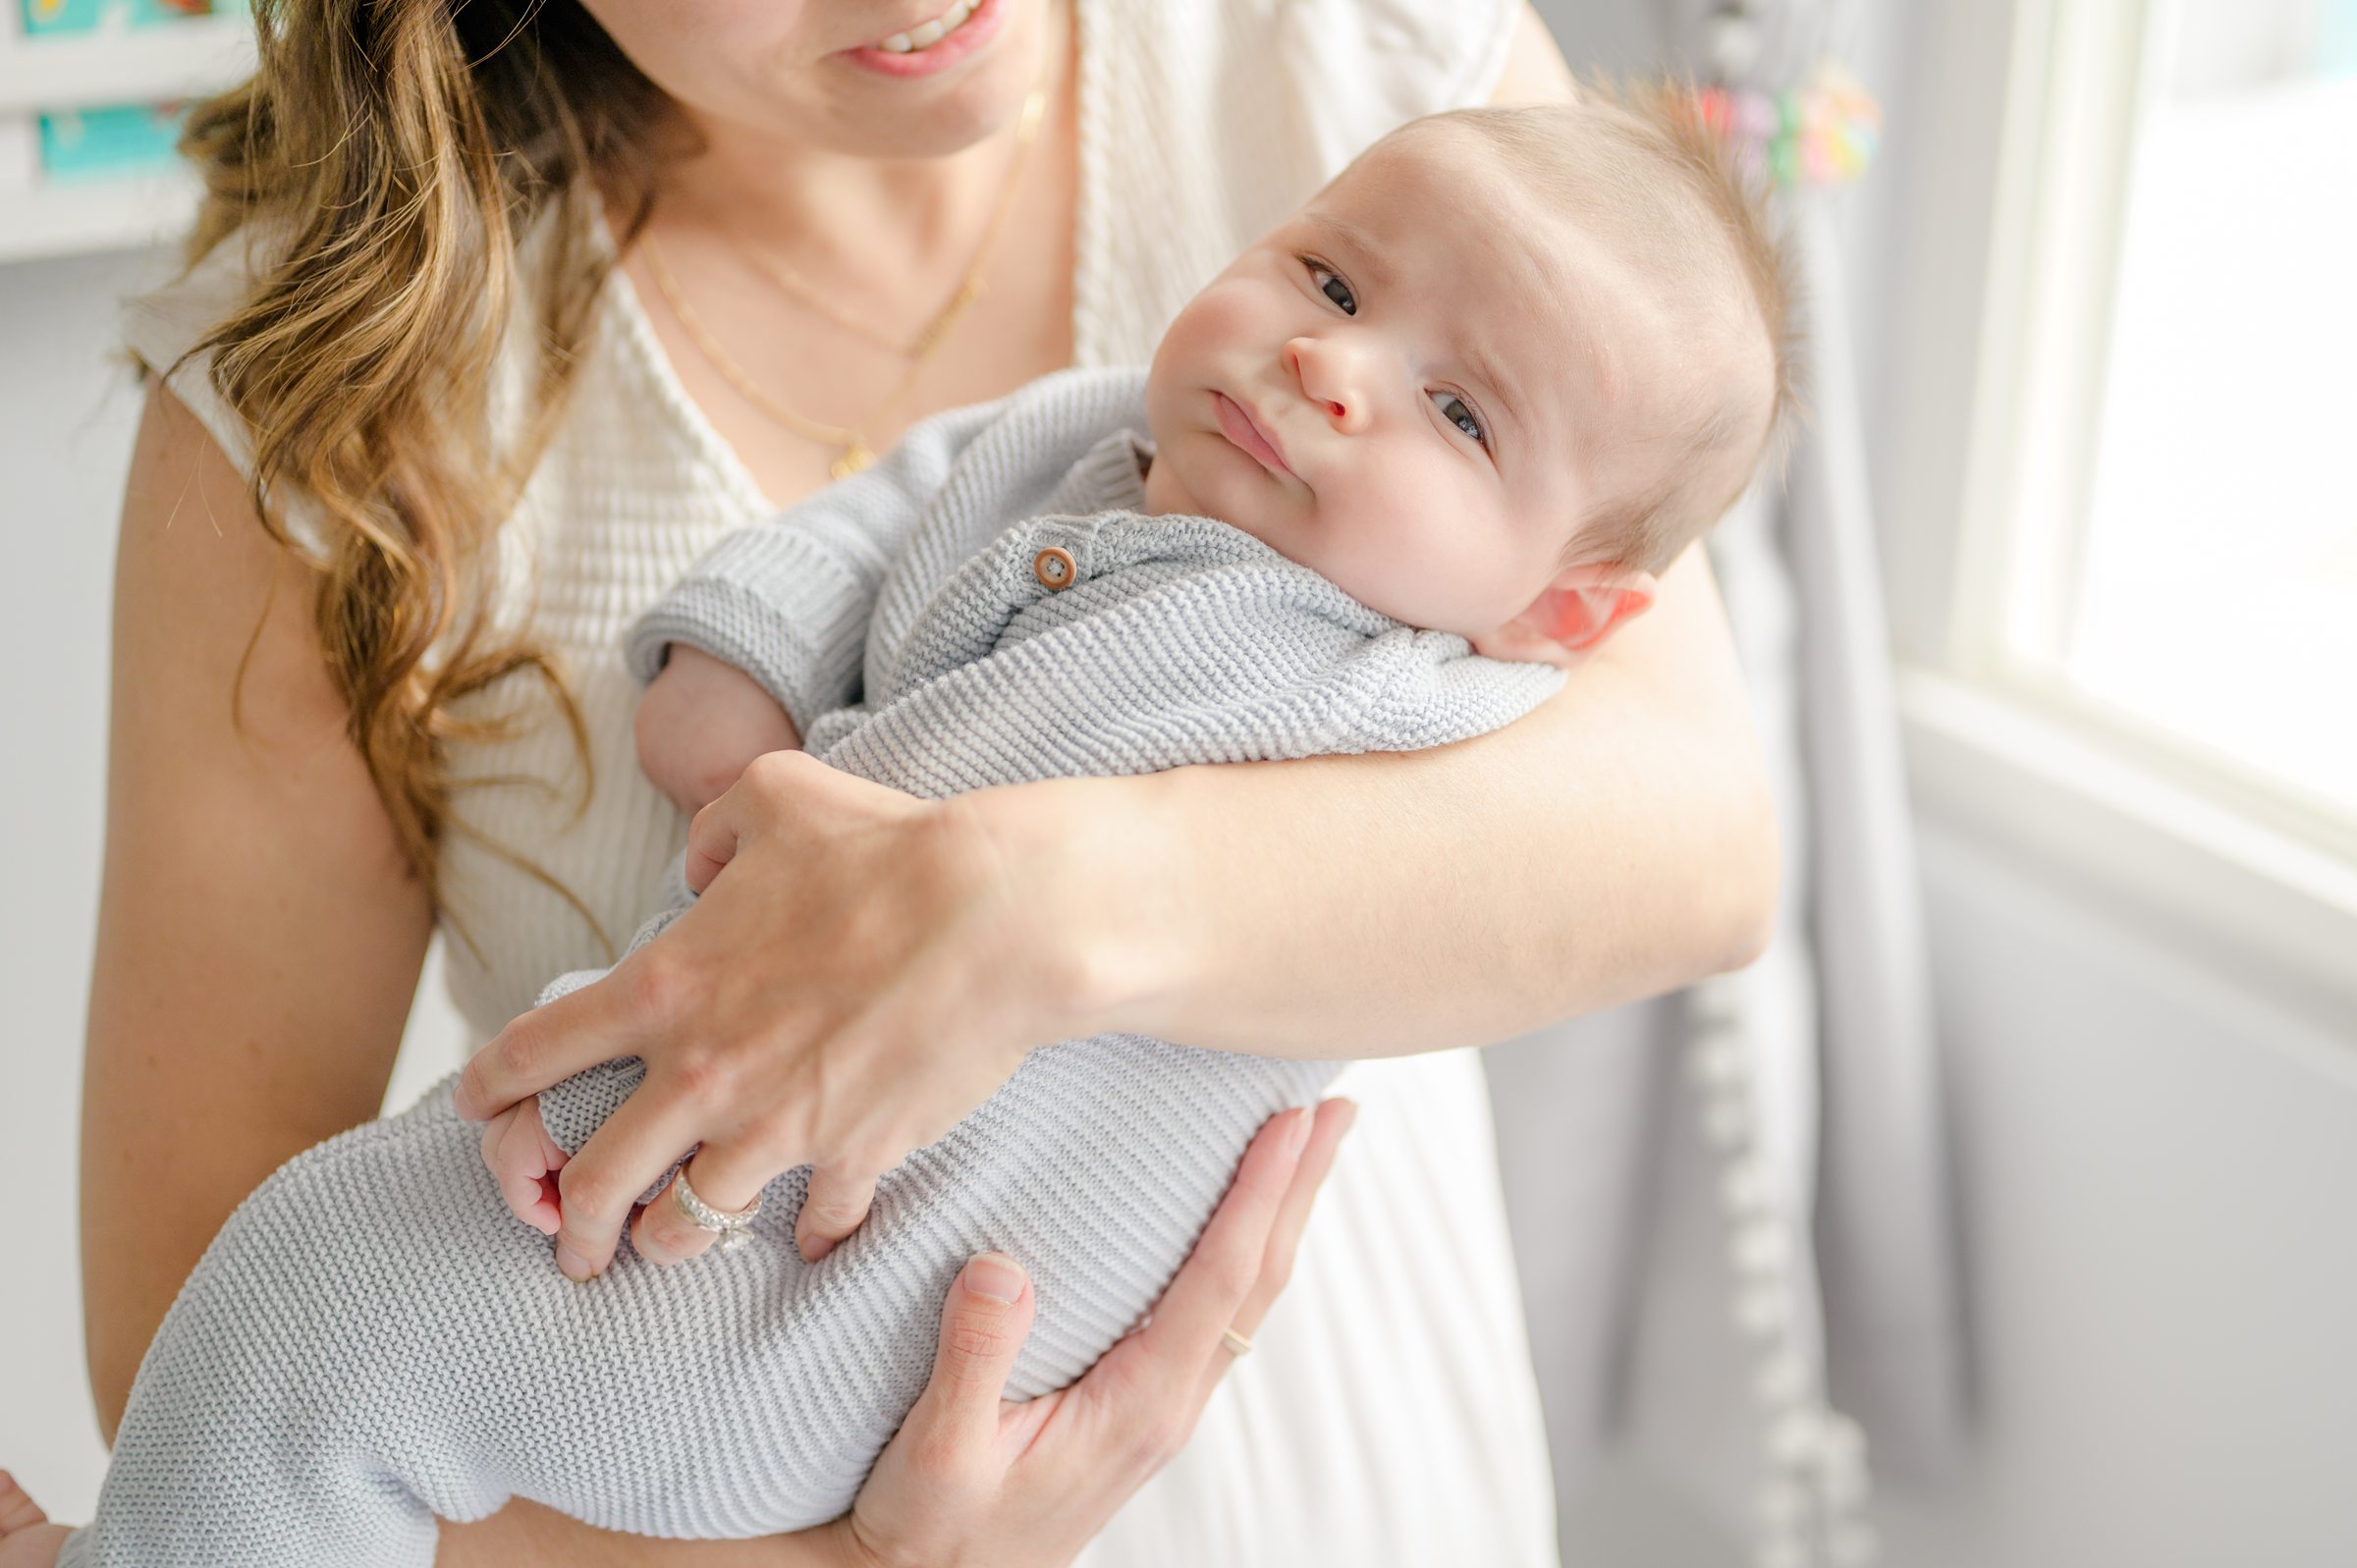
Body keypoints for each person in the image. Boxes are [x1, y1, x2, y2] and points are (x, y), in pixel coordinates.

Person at [55, 2, 1776, 1564]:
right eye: (1324, 286)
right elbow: (206, 1350)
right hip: (692, 1384)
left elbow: (1694, 844)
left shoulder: (1395, 94)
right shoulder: (327, 392)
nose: (1336, 361)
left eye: (1455, 411)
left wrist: (1020, 909)